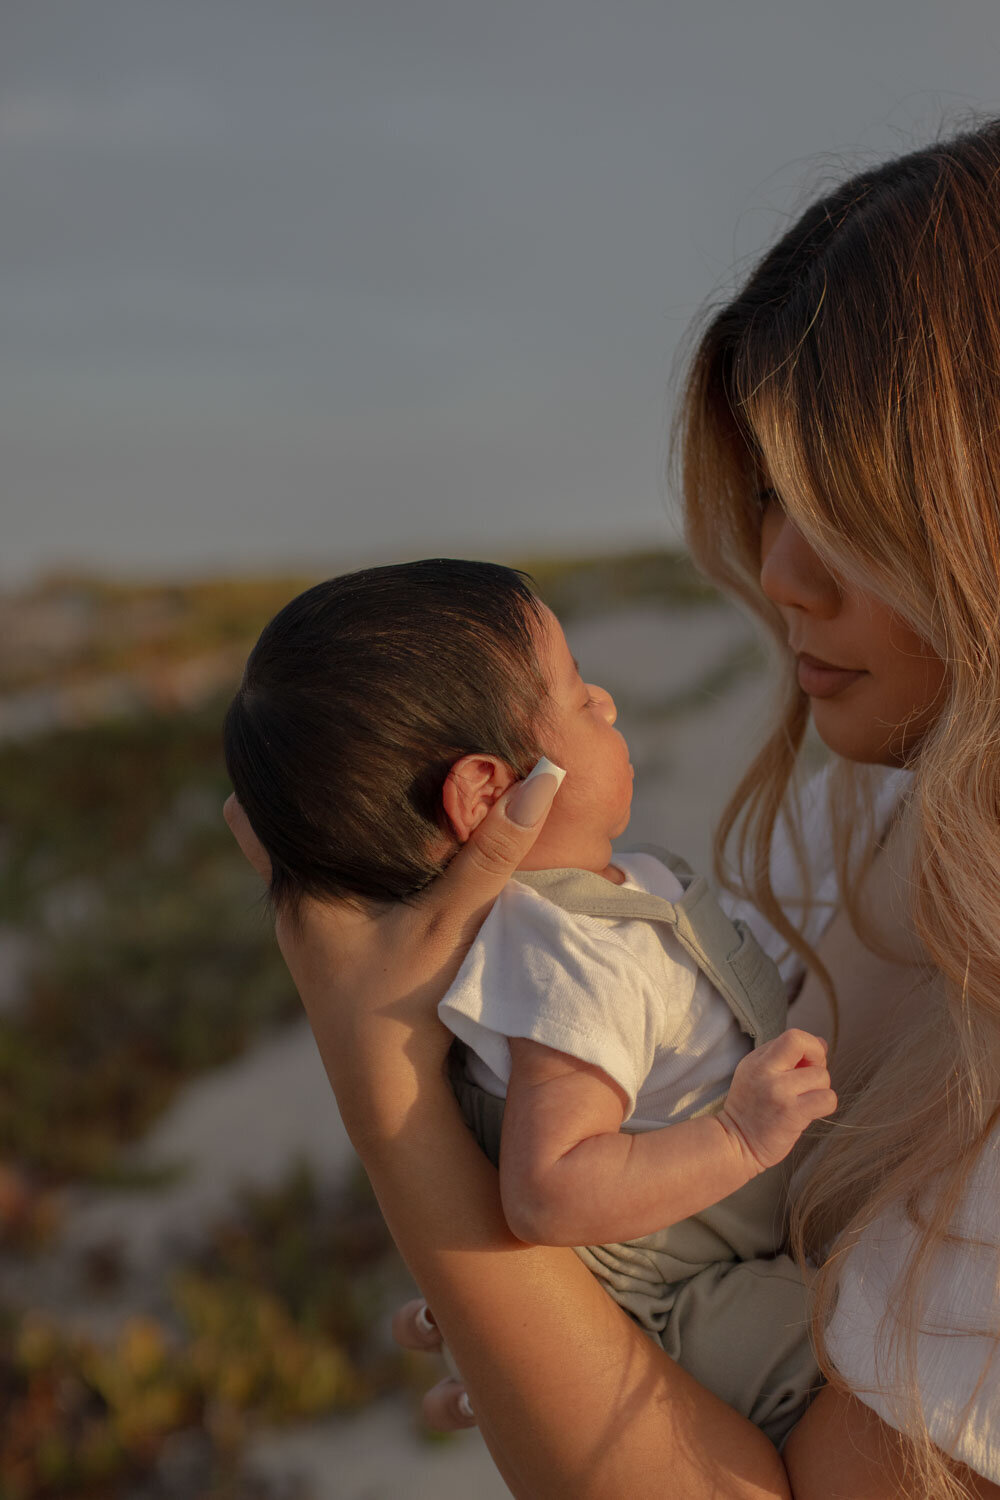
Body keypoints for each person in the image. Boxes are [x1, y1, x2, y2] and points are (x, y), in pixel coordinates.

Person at [225, 120, 1000, 1498]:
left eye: (850, 507)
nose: (777, 574)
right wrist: (557, 1339)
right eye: (770, 495)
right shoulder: (852, 835)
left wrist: (389, 1085)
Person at [223, 558, 836, 1443]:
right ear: (486, 791)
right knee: (844, 1355)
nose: (609, 705)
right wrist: (737, 1135)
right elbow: (550, 1191)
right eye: (581, 696)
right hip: (668, 1298)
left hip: (717, 1242)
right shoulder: (562, 959)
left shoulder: (600, 903)